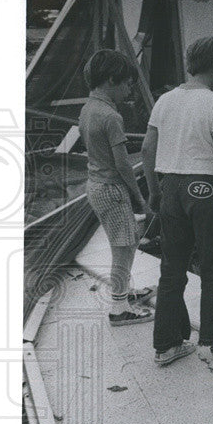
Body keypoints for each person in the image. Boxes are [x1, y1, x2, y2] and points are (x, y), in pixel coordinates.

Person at [142, 36, 213, 366]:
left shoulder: (164, 100)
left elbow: (148, 148)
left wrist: (153, 189)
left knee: (172, 269)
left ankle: (167, 344)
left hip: (171, 187)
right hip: (204, 189)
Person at [80, 50, 155, 326]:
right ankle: (119, 308)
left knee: (126, 242)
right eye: (126, 84)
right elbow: (123, 165)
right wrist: (138, 198)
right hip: (112, 189)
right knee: (123, 247)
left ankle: (124, 292)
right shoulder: (111, 116)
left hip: (95, 184)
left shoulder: (88, 109)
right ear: (112, 80)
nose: (129, 90)